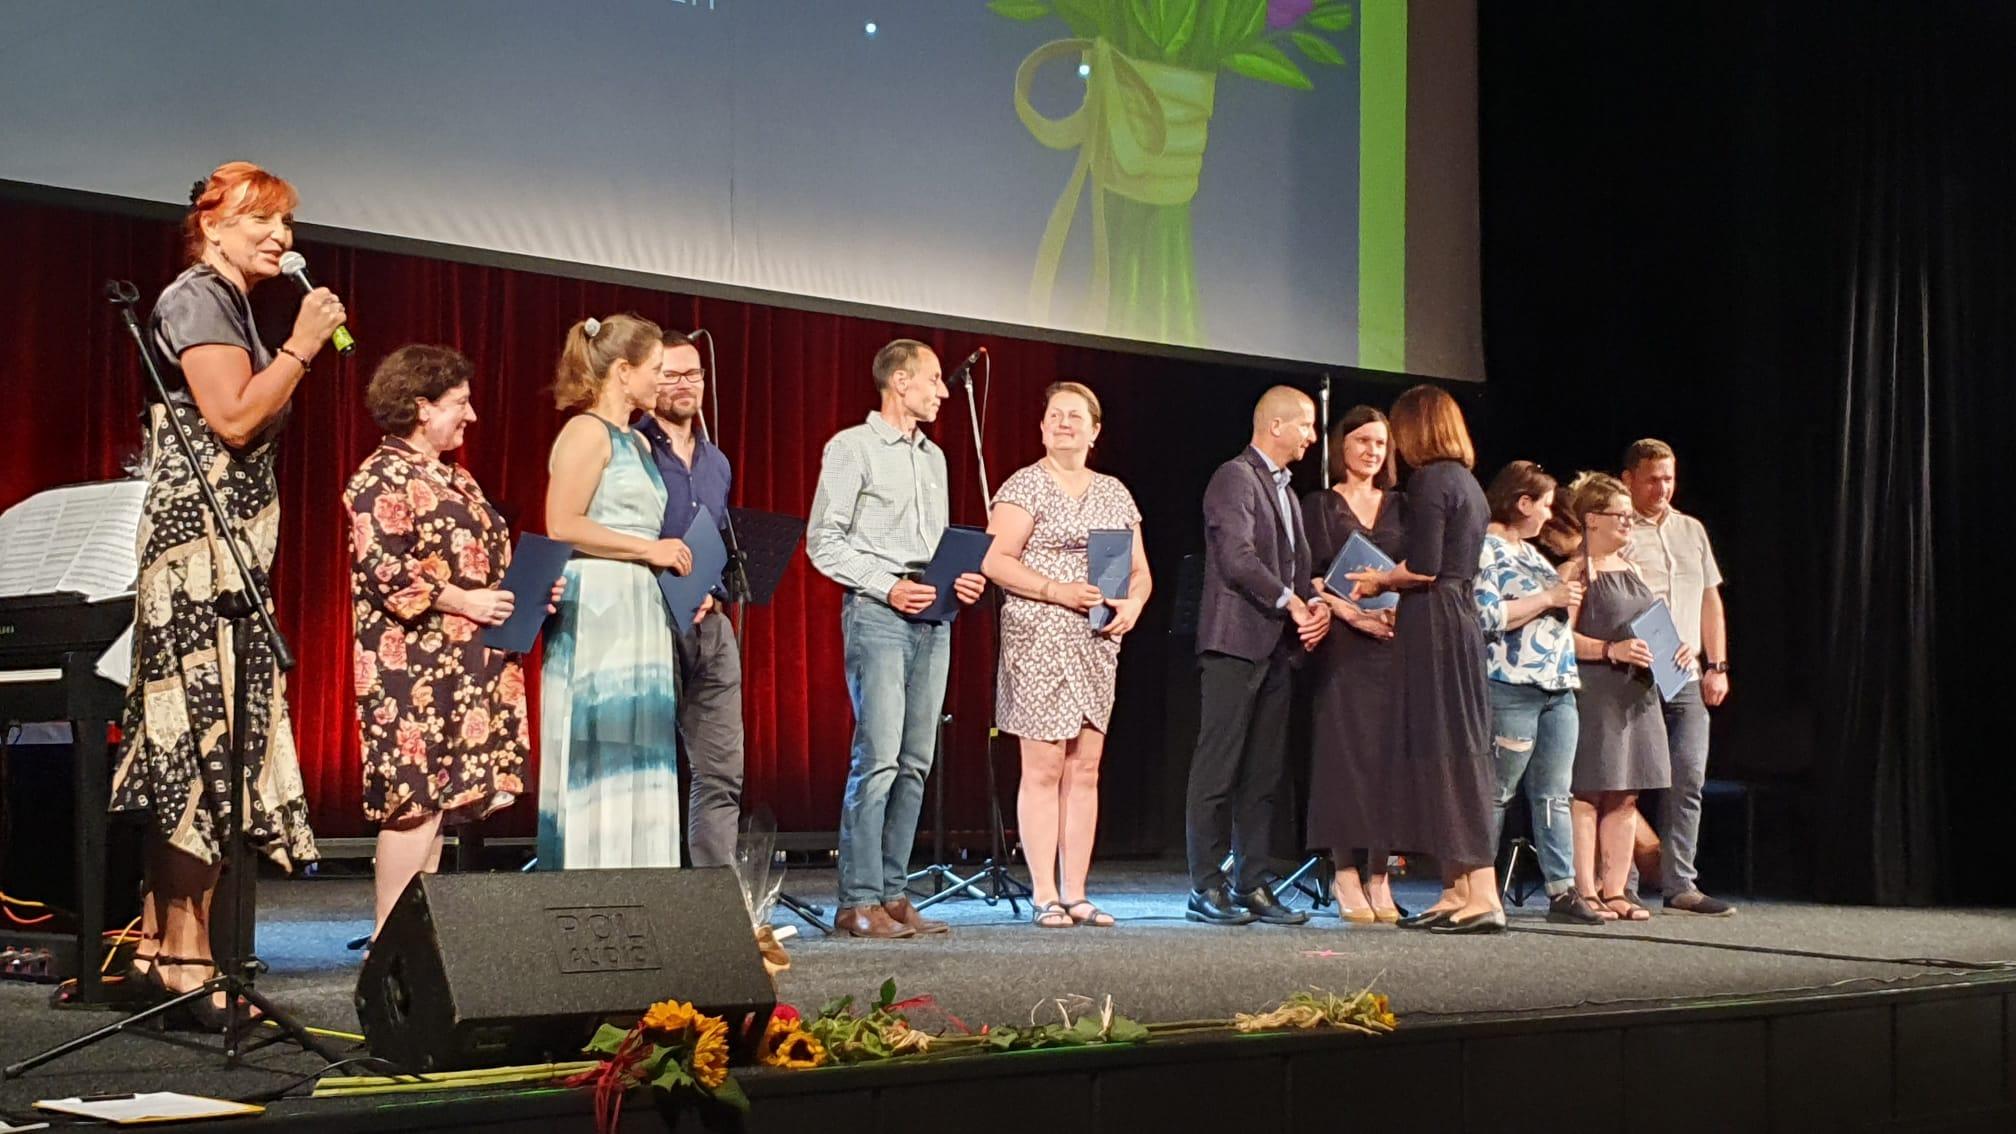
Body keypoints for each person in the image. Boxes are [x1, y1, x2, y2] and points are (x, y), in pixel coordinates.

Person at [108, 161, 342, 1028]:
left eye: (287, 223)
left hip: (232, 550)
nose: (282, 238)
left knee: (216, 741)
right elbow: (234, 420)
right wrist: (303, 346)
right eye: (262, 221)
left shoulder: (230, 304)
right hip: (196, 552)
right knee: (197, 740)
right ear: (212, 226)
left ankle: (163, 946)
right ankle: (184, 957)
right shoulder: (198, 297)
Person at [346, 346, 563, 937]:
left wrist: (528, 590)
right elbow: (384, 568)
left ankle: (416, 940)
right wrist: (466, 601)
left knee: (437, 803)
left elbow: (480, 563)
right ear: (422, 407)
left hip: (463, 664)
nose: (471, 416)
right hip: (410, 665)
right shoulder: (381, 476)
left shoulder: (455, 477)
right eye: (460, 403)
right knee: (411, 800)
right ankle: (388, 940)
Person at [807, 339, 986, 938]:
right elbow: (824, 541)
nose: (942, 392)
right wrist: (888, 587)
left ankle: (892, 891)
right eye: (933, 380)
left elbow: (934, 545)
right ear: (900, 381)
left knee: (915, 762)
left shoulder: (935, 458)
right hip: (880, 612)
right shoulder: (852, 447)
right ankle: (856, 900)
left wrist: (959, 579)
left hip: (934, 614)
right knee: (879, 757)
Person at [982, 382, 1150, 929]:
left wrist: (1134, 605)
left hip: (1096, 643)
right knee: (1045, 766)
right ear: (1041, 427)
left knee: (1085, 767)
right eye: (1055, 415)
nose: (1064, 423)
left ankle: (1076, 892)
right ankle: (1044, 893)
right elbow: (994, 561)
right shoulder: (1024, 486)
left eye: (1075, 416)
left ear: (1095, 431)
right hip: (1039, 639)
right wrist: (1056, 591)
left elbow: (1139, 571)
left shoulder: (1114, 492)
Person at [540, 314, 691, 869]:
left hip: (638, 603)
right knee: (602, 739)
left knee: (639, 741)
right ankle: (590, 876)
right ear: (624, 371)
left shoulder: (640, 442)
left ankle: (639, 877)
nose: (664, 381)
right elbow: (562, 523)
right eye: (657, 368)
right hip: (599, 600)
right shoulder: (586, 432)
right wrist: (649, 549)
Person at [1349, 385, 1501, 934]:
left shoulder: (1432, 480)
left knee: (1450, 749)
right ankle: (1455, 890)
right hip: (1452, 616)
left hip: (1436, 618)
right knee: (1441, 748)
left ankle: (1482, 894)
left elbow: (1426, 566)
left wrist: (1379, 580)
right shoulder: (1467, 482)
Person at [1185, 386, 1331, 927]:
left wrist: (1314, 606)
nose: (1312, 437)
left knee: (1264, 774)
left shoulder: (1287, 492)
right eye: (1306, 426)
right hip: (1234, 644)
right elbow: (1238, 557)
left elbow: (1296, 569)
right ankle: (1205, 885)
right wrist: (1291, 601)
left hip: (1276, 651)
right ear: (1276, 426)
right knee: (1218, 768)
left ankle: (1252, 882)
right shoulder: (1234, 477)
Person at [1475, 462, 1603, 925]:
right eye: (1545, 505)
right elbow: (1486, 617)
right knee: (1497, 791)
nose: (1549, 515)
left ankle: (1562, 890)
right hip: (1513, 687)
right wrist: (1549, 598)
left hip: (1557, 688)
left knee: (1554, 793)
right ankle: (1479, 889)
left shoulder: (1528, 551)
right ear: (1522, 503)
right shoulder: (1486, 549)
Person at [635, 331, 744, 868]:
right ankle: (650, 887)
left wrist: (712, 590)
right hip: (652, 618)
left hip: (711, 623)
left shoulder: (716, 462)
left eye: (693, 374)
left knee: (721, 769)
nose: (684, 385)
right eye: (670, 374)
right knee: (649, 766)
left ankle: (714, 890)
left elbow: (717, 540)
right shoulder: (632, 449)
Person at [1620, 439, 1736, 916]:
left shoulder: (1691, 529)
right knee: (1624, 780)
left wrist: (1717, 665)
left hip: (1685, 672)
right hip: (1633, 670)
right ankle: (1621, 885)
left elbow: (1710, 598)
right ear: (1628, 479)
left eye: (1668, 478)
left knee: (1687, 776)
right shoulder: (1619, 529)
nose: (1662, 488)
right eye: (1652, 479)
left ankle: (1680, 883)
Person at [1560, 473, 1681, 921]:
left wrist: (1676, 649)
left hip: (1637, 692)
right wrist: (1610, 650)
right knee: (1589, 792)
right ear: (1592, 519)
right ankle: (1585, 890)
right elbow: (1560, 639)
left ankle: (1616, 890)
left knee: (1626, 794)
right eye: (1620, 515)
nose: (1629, 522)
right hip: (1596, 692)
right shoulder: (1574, 572)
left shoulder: (1633, 570)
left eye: (1630, 516)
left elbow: (1652, 626)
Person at [1301, 406, 1405, 923]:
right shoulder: (1320, 505)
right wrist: (1353, 616)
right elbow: (1309, 575)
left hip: (1394, 644)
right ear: (1341, 445)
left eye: (1380, 444)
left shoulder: (1403, 506)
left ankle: (1380, 875)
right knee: (1344, 756)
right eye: (1362, 440)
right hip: (1343, 644)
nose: (1372, 451)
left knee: (1389, 760)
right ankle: (1344, 872)